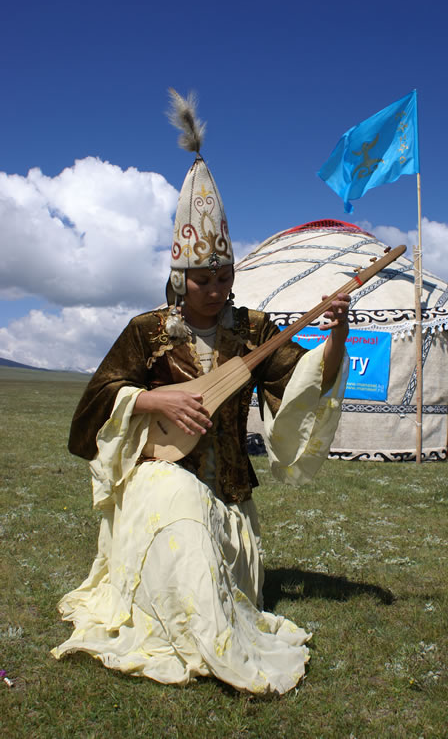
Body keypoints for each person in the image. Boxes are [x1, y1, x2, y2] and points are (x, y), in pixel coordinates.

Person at [51, 91, 350, 695]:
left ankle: (217, 632)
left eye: (223, 278)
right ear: (179, 279)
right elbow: (92, 407)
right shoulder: (148, 332)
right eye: (202, 280)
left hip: (229, 489)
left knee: (205, 535)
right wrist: (153, 400)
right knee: (177, 511)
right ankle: (194, 641)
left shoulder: (254, 331)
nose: (214, 291)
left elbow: (302, 382)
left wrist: (337, 333)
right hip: (160, 476)